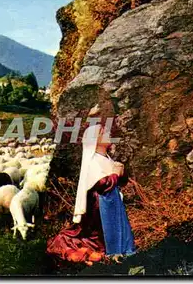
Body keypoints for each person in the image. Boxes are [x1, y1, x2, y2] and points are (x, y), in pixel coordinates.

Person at [46, 105, 136, 264]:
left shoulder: (106, 159)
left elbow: (116, 182)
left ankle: (122, 247)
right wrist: (115, 174)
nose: (108, 134)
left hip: (112, 204)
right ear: (95, 140)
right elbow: (102, 184)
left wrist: (121, 174)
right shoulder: (92, 162)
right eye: (103, 133)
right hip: (99, 210)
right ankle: (112, 248)